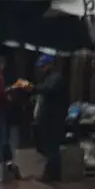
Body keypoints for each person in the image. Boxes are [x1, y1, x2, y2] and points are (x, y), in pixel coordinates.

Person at [28, 54, 69, 182]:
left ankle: (53, 174)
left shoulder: (56, 78)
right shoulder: (48, 78)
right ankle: (50, 172)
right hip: (46, 118)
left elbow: (48, 90)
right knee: (46, 146)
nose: (41, 70)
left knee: (52, 147)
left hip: (54, 118)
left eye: (43, 67)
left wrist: (33, 88)